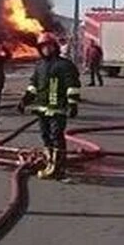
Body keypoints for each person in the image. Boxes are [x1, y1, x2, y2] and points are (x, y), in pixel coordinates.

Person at [18, 32, 82, 180]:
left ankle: (59, 168)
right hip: (42, 108)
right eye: (43, 47)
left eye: (49, 46)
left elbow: (72, 86)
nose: (46, 49)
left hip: (57, 107)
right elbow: (33, 86)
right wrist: (25, 100)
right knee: (45, 136)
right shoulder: (39, 65)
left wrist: (72, 104)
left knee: (56, 137)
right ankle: (50, 163)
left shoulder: (64, 65)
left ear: (55, 47)